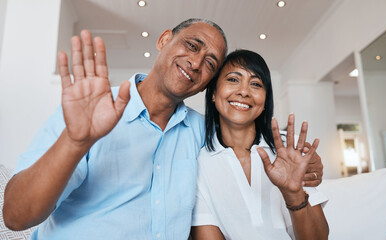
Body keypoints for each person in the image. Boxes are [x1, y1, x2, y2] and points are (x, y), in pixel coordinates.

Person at [2, 19, 322, 239]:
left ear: (207, 84)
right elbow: (16, 216)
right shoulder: (90, 113)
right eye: (192, 46)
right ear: (164, 40)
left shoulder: (203, 134)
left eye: (210, 63)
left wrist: (311, 169)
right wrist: (75, 141)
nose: (196, 63)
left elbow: (246, 147)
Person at [191, 50, 329, 239]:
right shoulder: (199, 163)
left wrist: (294, 194)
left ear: (265, 101)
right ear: (214, 93)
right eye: (233, 79)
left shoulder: (288, 150)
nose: (244, 91)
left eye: (256, 84)